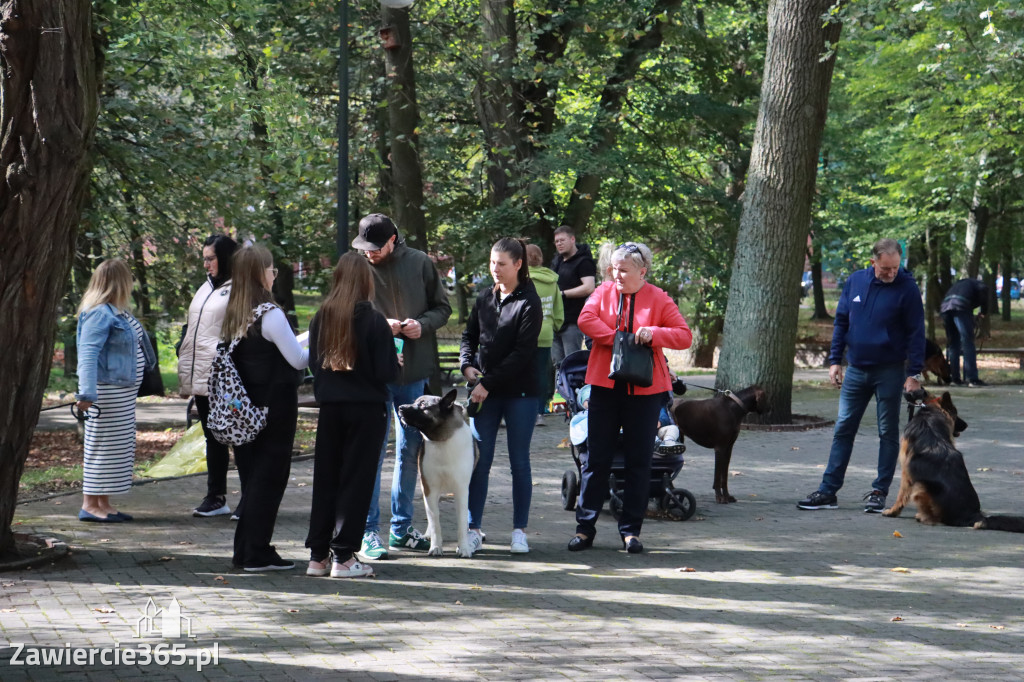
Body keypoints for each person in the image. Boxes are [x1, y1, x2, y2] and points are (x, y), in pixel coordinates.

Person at [567, 241, 692, 554]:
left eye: (623, 270)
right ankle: (585, 529)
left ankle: (631, 532)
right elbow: (586, 319)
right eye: (613, 268)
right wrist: (618, 340)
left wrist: (654, 333)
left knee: (639, 462)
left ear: (642, 271)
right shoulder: (604, 292)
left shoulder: (658, 297)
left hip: (646, 392)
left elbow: (683, 335)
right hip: (604, 389)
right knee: (596, 461)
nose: (616, 274)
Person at [798, 238, 925, 514]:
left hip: (890, 370)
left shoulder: (908, 287)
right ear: (873, 262)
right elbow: (841, 321)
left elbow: (917, 332)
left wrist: (914, 373)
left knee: (887, 432)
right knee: (843, 428)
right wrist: (834, 361)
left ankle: (879, 492)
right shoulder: (856, 281)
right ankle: (828, 491)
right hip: (856, 368)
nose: (891, 274)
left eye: (896, 268)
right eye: (885, 269)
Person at [352, 214, 452, 560]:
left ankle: (401, 529)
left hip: (413, 374)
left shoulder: (420, 263)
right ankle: (367, 532)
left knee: (409, 452)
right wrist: (382, 325)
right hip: (375, 375)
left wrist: (421, 326)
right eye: (364, 248)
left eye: (376, 247)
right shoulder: (357, 267)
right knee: (372, 453)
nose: (369, 254)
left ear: (393, 240)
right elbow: (345, 312)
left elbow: (443, 308)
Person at [305, 253, 400, 579]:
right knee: (356, 483)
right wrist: (396, 364)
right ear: (365, 281)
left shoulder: (322, 317)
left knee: (326, 480)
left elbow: (314, 365)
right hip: (365, 409)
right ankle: (344, 556)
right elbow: (386, 371)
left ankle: (318, 556)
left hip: (331, 409)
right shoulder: (373, 321)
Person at [222, 245, 308, 571]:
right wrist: (324, 342)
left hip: (245, 410)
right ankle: (255, 551)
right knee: (269, 481)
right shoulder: (270, 314)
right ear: (261, 273)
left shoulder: (235, 312)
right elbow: (298, 359)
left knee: (254, 479)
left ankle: (246, 550)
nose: (274, 274)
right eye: (271, 269)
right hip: (275, 408)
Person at [460, 238, 543, 554]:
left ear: (519, 264)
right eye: (492, 263)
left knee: (519, 462)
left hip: (520, 393)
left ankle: (519, 530)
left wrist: (487, 383)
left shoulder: (529, 303)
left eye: (502, 264)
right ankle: (473, 528)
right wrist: (467, 365)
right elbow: (469, 336)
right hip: (486, 392)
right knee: (479, 462)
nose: (495, 269)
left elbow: (522, 353)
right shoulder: (484, 298)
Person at [74, 259, 157, 523]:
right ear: (119, 282)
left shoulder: (116, 311)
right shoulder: (99, 313)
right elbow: (87, 354)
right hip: (106, 393)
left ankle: (103, 502)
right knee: (101, 447)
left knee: (114, 449)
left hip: (121, 393)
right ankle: (89, 505)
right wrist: (86, 393)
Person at [177, 235, 238, 518]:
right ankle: (216, 497)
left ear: (225, 258)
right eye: (204, 258)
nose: (206, 264)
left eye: (210, 258)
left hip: (225, 378)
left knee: (240, 437)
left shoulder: (238, 289)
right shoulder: (205, 288)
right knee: (213, 436)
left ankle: (250, 497)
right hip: (201, 377)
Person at [526, 243, 564, 426]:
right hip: (546, 333)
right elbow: (558, 308)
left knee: (522, 373)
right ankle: (539, 412)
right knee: (542, 374)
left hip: (524, 334)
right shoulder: (552, 281)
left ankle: (522, 410)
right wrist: (554, 325)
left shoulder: (522, 280)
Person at [550, 226, 596, 370]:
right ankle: (558, 392)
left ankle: (573, 392)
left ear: (572, 239)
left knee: (572, 364)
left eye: (562, 240)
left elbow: (589, 287)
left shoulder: (584, 261)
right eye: (556, 241)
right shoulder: (557, 261)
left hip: (572, 322)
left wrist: (562, 294)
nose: (559, 243)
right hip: (554, 321)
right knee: (556, 365)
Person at [940, 278, 988, 387]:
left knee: (953, 345)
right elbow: (983, 293)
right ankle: (972, 379)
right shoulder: (980, 285)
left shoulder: (959, 284)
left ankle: (955, 379)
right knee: (968, 342)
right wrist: (984, 312)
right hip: (960, 307)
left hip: (945, 308)